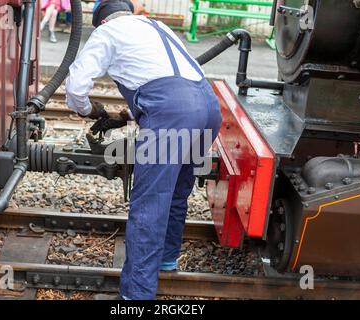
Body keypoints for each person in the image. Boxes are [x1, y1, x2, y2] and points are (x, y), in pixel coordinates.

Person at [65, 0, 222, 300]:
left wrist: (89, 110)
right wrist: (128, 115)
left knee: (150, 204)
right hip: (208, 108)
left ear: (101, 20)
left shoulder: (107, 33)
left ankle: (136, 297)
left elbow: (75, 89)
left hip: (173, 116)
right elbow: (163, 81)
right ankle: (166, 259)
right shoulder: (156, 26)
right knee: (176, 192)